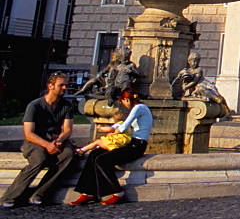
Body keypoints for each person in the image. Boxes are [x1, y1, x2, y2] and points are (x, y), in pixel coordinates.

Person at [0, 72, 77, 208]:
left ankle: (39, 193)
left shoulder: (67, 106)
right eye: (61, 85)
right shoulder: (35, 106)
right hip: (35, 140)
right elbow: (29, 134)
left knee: (68, 155)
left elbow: (67, 130)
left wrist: (59, 141)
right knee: (39, 158)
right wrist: (47, 145)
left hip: (55, 139)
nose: (65, 88)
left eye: (66, 85)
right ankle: (9, 196)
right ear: (51, 86)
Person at [69, 89, 152, 206]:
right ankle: (88, 192)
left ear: (127, 99)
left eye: (123, 102)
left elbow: (124, 126)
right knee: (94, 154)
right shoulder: (140, 108)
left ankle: (118, 193)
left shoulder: (139, 108)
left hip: (137, 146)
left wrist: (112, 132)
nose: (124, 105)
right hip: (131, 143)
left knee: (102, 160)